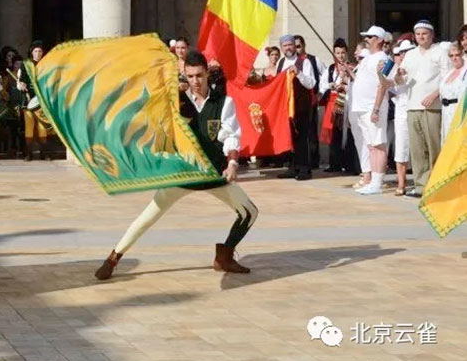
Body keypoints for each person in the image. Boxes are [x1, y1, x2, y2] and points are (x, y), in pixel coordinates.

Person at [94, 51, 257, 280]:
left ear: (207, 73)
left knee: (250, 212)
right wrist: (168, 94)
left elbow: (231, 136)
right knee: (147, 217)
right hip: (182, 174)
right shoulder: (175, 101)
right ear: (184, 76)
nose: (195, 81)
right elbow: (147, 106)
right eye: (190, 76)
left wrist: (232, 163)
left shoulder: (224, 102)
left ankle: (224, 257)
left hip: (212, 173)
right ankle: (112, 259)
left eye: (199, 75)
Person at [397, 20, 450, 198]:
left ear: (431, 35)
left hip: (432, 107)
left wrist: (434, 94)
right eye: (418, 34)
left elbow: (446, 78)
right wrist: (398, 74)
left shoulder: (440, 52)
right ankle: (420, 185)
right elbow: (401, 80)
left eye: (424, 34)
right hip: (413, 106)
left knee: (433, 146)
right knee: (417, 149)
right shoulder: (410, 54)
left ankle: (436, 184)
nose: (421, 37)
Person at [348, 25, 391, 195]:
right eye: (366, 36)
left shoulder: (384, 59)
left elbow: (384, 84)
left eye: (370, 37)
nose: (367, 39)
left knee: (378, 144)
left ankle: (378, 182)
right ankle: (373, 180)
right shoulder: (367, 59)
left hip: (373, 107)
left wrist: (376, 108)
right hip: (361, 108)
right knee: (370, 145)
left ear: (380, 40)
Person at [275, 34, 317, 180]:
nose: (288, 48)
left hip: (301, 106)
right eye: (285, 45)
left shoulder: (304, 62)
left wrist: (299, 73)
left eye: (290, 45)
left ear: (295, 46)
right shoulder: (280, 63)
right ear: (281, 48)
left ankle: (305, 169)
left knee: (302, 137)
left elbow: (311, 83)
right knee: (290, 138)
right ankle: (293, 167)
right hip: (286, 107)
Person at [318, 38, 357, 174]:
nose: (340, 56)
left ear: (347, 53)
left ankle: (350, 165)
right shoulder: (330, 69)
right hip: (333, 105)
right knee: (334, 134)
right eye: (338, 53)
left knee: (348, 134)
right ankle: (334, 163)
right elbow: (322, 87)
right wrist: (332, 86)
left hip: (347, 104)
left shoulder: (352, 68)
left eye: (343, 53)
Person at [385, 39, 416, 196]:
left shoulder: (418, 66)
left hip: (418, 107)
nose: (403, 55)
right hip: (402, 110)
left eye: (406, 52)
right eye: (400, 53)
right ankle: (401, 183)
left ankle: (421, 181)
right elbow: (390, 83)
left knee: (419, 147)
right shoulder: (397, 68)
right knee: (401, 146)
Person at [17, 40, 53, 161]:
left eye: (40, 51)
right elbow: (19, 80)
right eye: (35, 51)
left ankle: (44, 153)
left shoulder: (47, 65)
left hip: (42, 100)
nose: (38, 53)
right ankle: (28, 153)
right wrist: (20, 85)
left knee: (42, 127)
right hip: (28, 100)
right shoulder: (25, 65)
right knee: (29, 126)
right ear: (31, 53)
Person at [295, 35, 325, 169]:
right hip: (295, 103)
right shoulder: (291, 61)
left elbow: (325, 75)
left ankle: (313, 161)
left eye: (298, 46)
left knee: (312, 132)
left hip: (311, 101)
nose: (297, 49)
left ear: (304, 46)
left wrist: (321, 92)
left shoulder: (313, 60)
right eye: (294, 46)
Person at [439, 43, 467, 143]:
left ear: (462, 54)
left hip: (460, 111)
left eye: (457, 55)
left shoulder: (465, 71)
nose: (454, 58)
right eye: (451, 55)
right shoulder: (449, 73)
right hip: (446, 112)